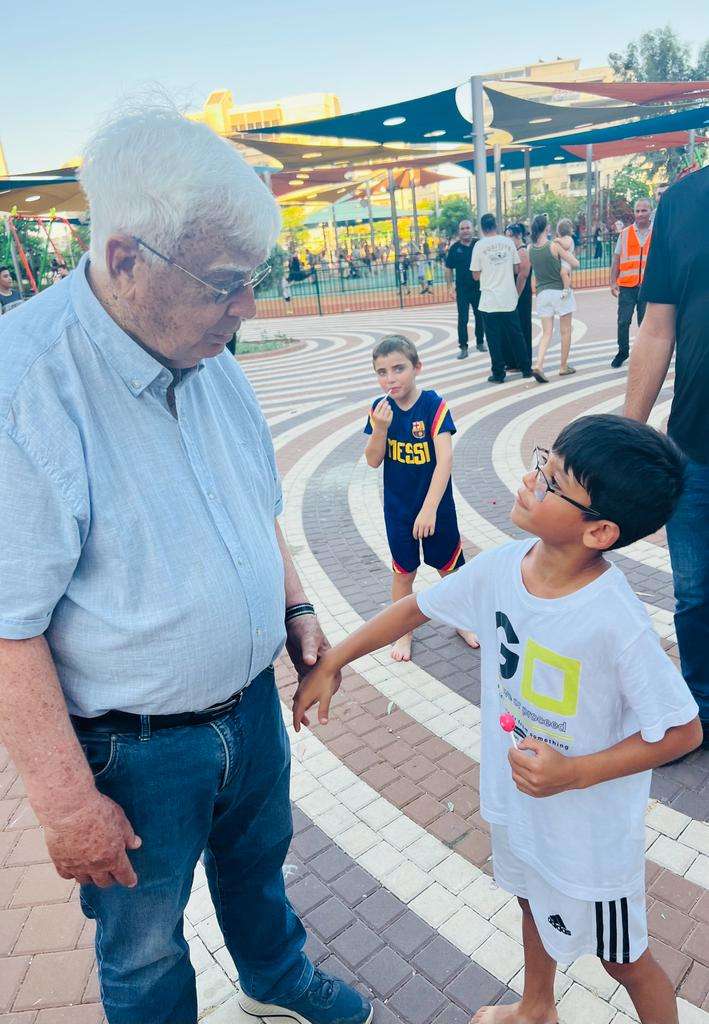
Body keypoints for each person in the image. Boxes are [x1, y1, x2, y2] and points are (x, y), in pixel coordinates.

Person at [0, 104, 372, 1024]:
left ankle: (274, 982)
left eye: (255, 280)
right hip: (132, 750)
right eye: (225, 284)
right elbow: (7, 627)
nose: (247, 308)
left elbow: (253, 505)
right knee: (145, 941)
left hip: (249, 708)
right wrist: (66, 806)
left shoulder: (208, 355)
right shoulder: (25, 389)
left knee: (257, 867)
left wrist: (294, 608)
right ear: (125, 259)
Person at [293, 413, 702, 1024]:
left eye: (553, 482)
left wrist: (577, 772)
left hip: (589, 838)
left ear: (598, 531)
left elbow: (683, 731)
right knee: (528, 897)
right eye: (542, 463)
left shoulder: (616, 621)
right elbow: (415, 608)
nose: (530, 480)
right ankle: (536, 1008)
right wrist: (335, 660)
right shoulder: (503, 568)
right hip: (519, 802)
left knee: (623, 960)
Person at [624, 166, 709, 748]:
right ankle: (699, 710)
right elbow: (657, 328)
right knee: (695, 594)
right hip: (695, 445)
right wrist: (625, 438)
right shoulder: (682, 202)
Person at [363, 334, 478, 662]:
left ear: (417, 367)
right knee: (403, 573)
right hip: (399, 509)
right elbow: (373, 460)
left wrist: (429, 509)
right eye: (382, 372)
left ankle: (463, 620)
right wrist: (380, 428)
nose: (390, 378)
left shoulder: (433, 405)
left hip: (436, 508)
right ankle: (404, 631)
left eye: (398, 368)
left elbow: (445, 460)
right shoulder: (380, 410)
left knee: (450, 569)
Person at [471, 213, 532, 384]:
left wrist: (488, 271)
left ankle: (498, 373)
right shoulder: (508, 243)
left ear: (482, 228)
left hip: (489, 299)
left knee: (493, 338)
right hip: (508, 297)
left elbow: (475, 275)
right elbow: (516, 269)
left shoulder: (479, 246)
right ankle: (526, 368)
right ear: (496, 225)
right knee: (516, 334)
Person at [528, 213, 579, 384]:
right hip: (560, 291)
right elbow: (575, 263)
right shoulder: (553, 246)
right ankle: (563, 366)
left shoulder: (530, 248)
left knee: (546, 333)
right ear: (547, 228)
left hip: (542, 294)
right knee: (565, 331)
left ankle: (539, 364)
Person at [610, 198, 653, 369]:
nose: (640, 214)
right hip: (627, 286)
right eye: (637, 211)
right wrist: (613, 281)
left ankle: (645, 354)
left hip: (648, 287)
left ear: (650, 212)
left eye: (644, 210)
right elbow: (616, 259)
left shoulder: (657, 233)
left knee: (645, 323)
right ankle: (623, 352)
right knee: (623, 321)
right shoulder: (625, 234)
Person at [444, 219, 486, 359]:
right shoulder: (454, 248)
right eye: (462, 228)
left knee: (480, 316)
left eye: (468, 228)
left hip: (479, 288)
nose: (465, 231)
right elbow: (448, 268)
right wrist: (450, 288)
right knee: (463, 319)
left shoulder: (479, 245)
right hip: (462, 290)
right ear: (459, 231)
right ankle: (463, 347)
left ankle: (480, 342)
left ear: (472, 229)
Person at [505, 223, 532, 370]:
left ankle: (523, 361)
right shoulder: (515, 251)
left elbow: (523, 276)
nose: (508, 239)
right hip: (516, 294)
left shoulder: (522, 252)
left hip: (521, 295)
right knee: (516, 328)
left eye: (510, 236)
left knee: (522, 327)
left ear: (518, 235)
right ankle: (516, 360)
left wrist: (515, 296)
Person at [554, 218, 575, 299]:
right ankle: (567, 286)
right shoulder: (564, 239)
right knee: (564, 274)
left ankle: (566, 289)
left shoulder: (568, 238)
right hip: (563, 261)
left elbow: (566, 246)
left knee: (563, 273)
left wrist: (558, 241)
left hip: (566, 262)